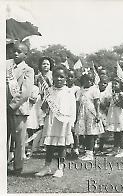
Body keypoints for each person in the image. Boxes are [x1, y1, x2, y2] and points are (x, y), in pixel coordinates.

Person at [35, 65, 76, 178]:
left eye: (61, 77)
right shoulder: (49, 90)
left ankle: (60, 168)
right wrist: (45, 104)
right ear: (52, 77)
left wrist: (72, 123)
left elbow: (73, 108)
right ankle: (46, 167)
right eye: (56, 76)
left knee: (62, 146)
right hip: (51, 120)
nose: (58, 79)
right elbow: (43, 108)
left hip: (64, 122)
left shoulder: (68, 92)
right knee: (50, 145)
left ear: (66, 78)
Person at [7, 41, 34, 175]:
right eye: (14, 51)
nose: (15, 53)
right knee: (4, 138)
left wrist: (12, 106)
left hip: (18, 110)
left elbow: (25, 92)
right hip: (4, 109)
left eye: (19, 52)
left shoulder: (28, 70)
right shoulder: (6, 66)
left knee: (19, 140)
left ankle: (18, 166)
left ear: (25, 55)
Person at [74, 74, 104, 160]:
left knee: (91, 133)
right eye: (87, 80)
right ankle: (87, 151)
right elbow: (78, 103)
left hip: (91, 112)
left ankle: (90, 153)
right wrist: (76, 115)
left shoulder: (94, 90)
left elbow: (97, 102)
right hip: (82, 113)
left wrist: (97, 114)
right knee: (85, 133)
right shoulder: (80, 91)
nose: (89, 82)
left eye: (90, 80)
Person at [106, 77, 123, 157]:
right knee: (115, 133)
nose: (114, 85)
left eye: (116, 84)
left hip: (119, 115)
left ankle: (121, 150)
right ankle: (115, 149)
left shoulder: (122, 94)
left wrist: (121, 100)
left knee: (120, 132)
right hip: (113, 114)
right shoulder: (113, 94)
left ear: (120, 85)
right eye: (113, 84)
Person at [66, 68, 80, 157]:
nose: (69, 79)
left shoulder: (76, 88)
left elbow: (77, 101)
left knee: (74, 131)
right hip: (65, 111)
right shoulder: (64, 88)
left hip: (74, 111)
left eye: (72, 77)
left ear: (75, 78)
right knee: (66, 130)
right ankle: (67, 148)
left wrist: (77, 114)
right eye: (68, 77)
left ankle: (76, 148)